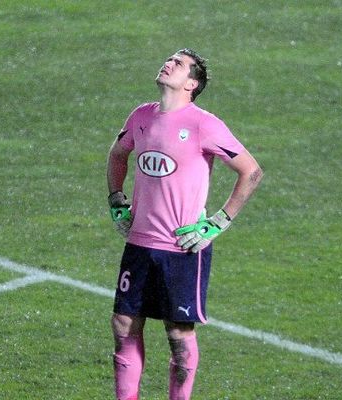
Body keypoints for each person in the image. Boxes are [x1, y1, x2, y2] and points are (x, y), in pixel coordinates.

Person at [106, 48, 263, 400]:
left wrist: (219, 222)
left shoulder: (204, 124)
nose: (168, 63)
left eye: (178, 63)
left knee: (178, 337)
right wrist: (117, 200)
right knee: (123, 325)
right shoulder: (141, 116)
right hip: (139, 243)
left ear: (191, 83)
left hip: (181, 249)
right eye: (169, 59)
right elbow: (118, 154)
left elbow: (251, 171)